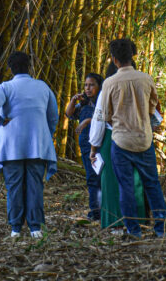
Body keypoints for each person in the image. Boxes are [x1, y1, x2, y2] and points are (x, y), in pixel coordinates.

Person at [90, 39, 166, 238]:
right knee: (152, 184)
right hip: (144, 140)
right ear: (131, 57)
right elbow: (153, 107)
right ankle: (162, 229)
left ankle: (134, 231)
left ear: (114, 60)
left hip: (121, 141)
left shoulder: (109, 83)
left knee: (125, 187)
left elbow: (104, 114)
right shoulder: (146, 78)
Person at [0, 51, 58, 239]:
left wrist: (0, 120)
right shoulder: (42, 87)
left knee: (14, 186)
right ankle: (35, 228)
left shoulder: (6, 87)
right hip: (37, 145)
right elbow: (53, 115)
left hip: (11, 146)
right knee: (35, 185)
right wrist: (46, 133)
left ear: (10, 68)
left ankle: (15, 228)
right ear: (29, 66)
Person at [92, 61, 148, 233]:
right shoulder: (140, 85)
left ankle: (116, 221)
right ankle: (137, 220)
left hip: (113, 137)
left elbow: (99, 119)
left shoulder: (108, 87)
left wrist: (94, 147)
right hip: (137, 136)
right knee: (134, 179)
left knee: (112, 181)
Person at [64, 72, 104, 221]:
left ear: (99, 86)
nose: (88, 88)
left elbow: (105, 118)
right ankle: (95, 210)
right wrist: (73, 100)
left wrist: (87, 120)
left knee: (99, 178)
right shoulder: (85, 103)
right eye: (86, 85)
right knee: (92, 178)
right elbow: (69, 114)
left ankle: (98, 211)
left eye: (92, 85)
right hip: (87, 146)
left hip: (100, 144)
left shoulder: (103, 101)